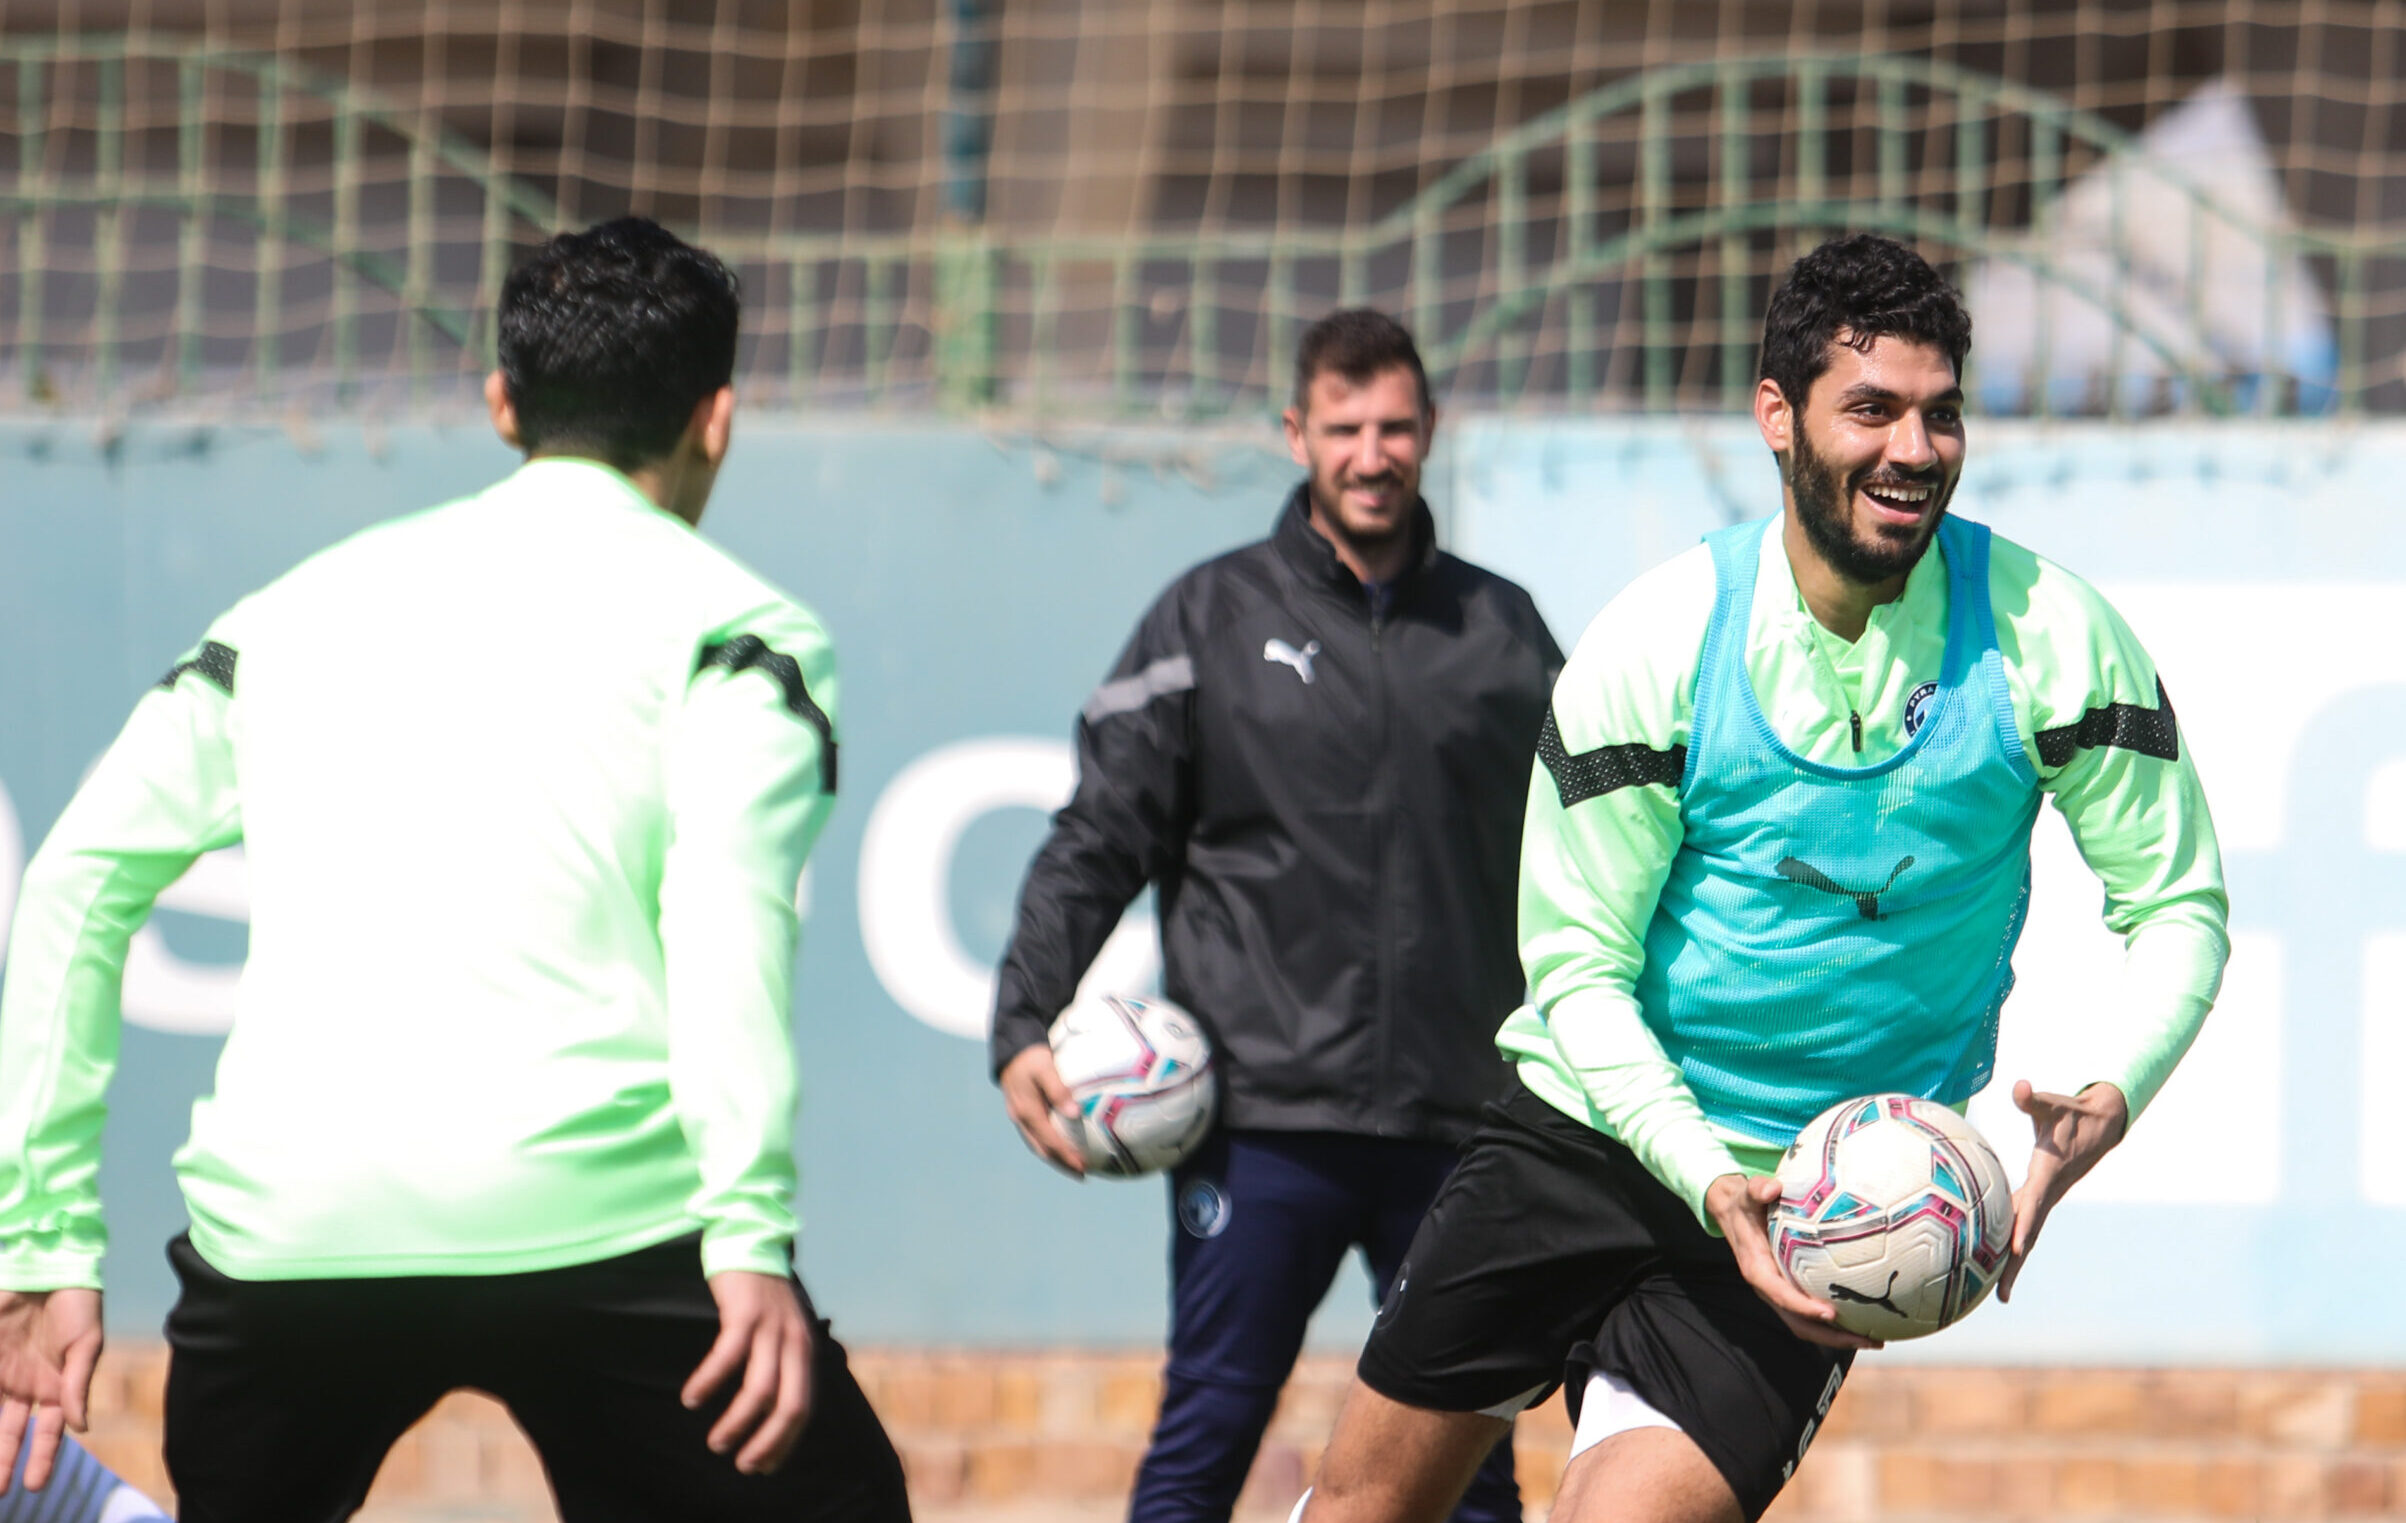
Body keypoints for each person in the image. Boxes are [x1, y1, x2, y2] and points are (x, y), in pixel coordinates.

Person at [1296, 234, 2229, 1523]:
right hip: (1592, 1132)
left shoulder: (2051, 636)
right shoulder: (1659, 641)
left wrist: (2115, 1089)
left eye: (1940, 412)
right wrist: (1697, 1167)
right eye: (1873, 409)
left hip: (1822, 1199)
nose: (1914, 448)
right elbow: (1577, 971)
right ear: (1777, 417)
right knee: (1359, 1512)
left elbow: (2178, 905)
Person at [0, 218, 909, 1523]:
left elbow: (75, 882)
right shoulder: (744, 631)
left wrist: (40, 1242)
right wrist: (747, 1233)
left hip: (291, 1229)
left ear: (500, 404)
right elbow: (727, 920)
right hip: (606, 1219)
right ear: (716, 419)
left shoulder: (286, 610)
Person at [990, 310, 1562, 1523]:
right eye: (1344, 427)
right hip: (1259, 1125)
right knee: (1203, 1444)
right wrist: (1022, 1016)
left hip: (1458, 1126)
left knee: (1473, 1482)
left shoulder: (1504, 633)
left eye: (1395, 426)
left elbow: (1592, 860)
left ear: (1429, 432)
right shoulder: (1206, 619)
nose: (1371, 453)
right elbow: (1100, 833)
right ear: (1295, 433)